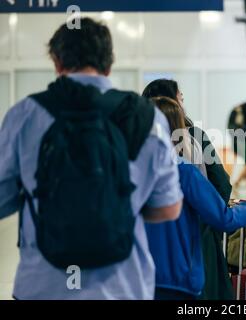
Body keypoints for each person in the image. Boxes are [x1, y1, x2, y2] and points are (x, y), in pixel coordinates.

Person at [0, 18, 183, 300]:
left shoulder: (24, 115)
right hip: (122, 287)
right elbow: (168, 208)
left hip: (43, 287)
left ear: (57, 61)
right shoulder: (147, 118)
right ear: (109, 65)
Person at [145, 96, 246, 300]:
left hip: (139, 280)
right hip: (179, 282)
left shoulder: (127, 172)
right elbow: (223, 218)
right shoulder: (183, 172)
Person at [142, 79, 235, 300]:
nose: (183, 103)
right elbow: (221, 182)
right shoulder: (195, 137)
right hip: (198, 237)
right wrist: (212, 210)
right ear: (170, 103)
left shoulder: (137, 140)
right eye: (180, 98)